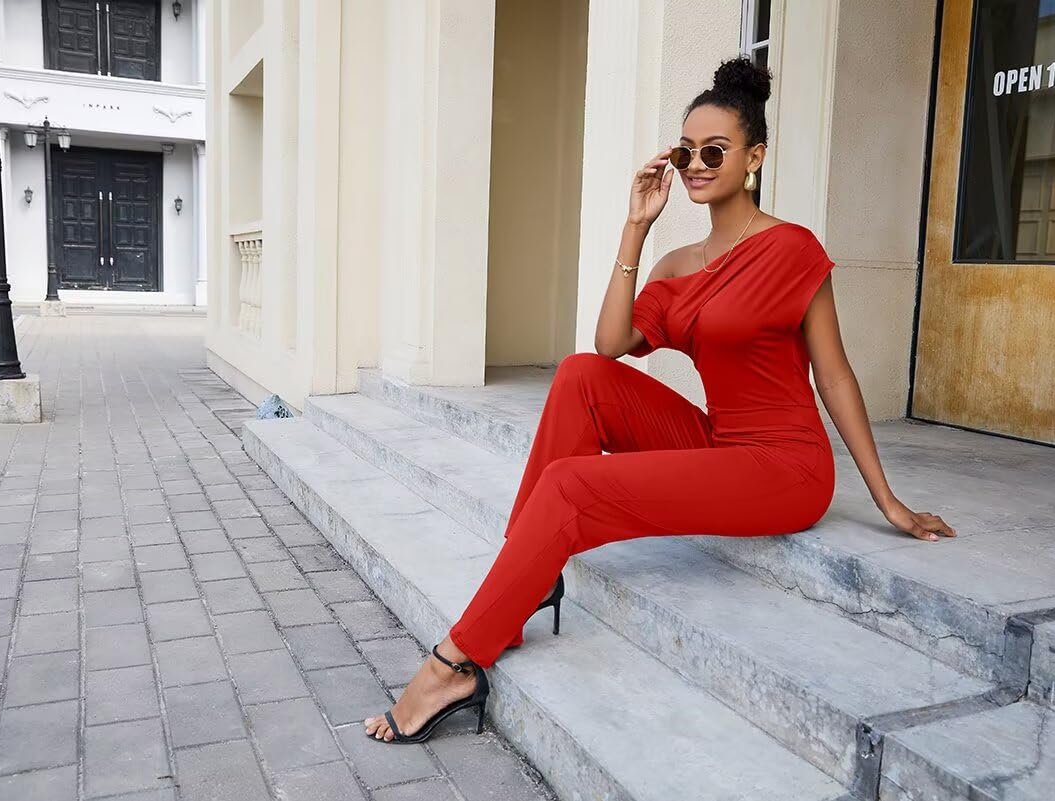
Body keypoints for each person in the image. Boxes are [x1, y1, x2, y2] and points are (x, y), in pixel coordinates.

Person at [364, 55, 955, 744]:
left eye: (715, 151)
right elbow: (610, 342)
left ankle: (452, 666)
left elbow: (836, 376)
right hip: (719, 443)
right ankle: (528, 575)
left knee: (571, 485)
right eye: (685, 151)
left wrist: (887, 500)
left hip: (786, 469)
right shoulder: (678, 266)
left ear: (754, 157)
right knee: (581, 375)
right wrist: (636, 227)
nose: (696, 164)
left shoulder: (791, 248)